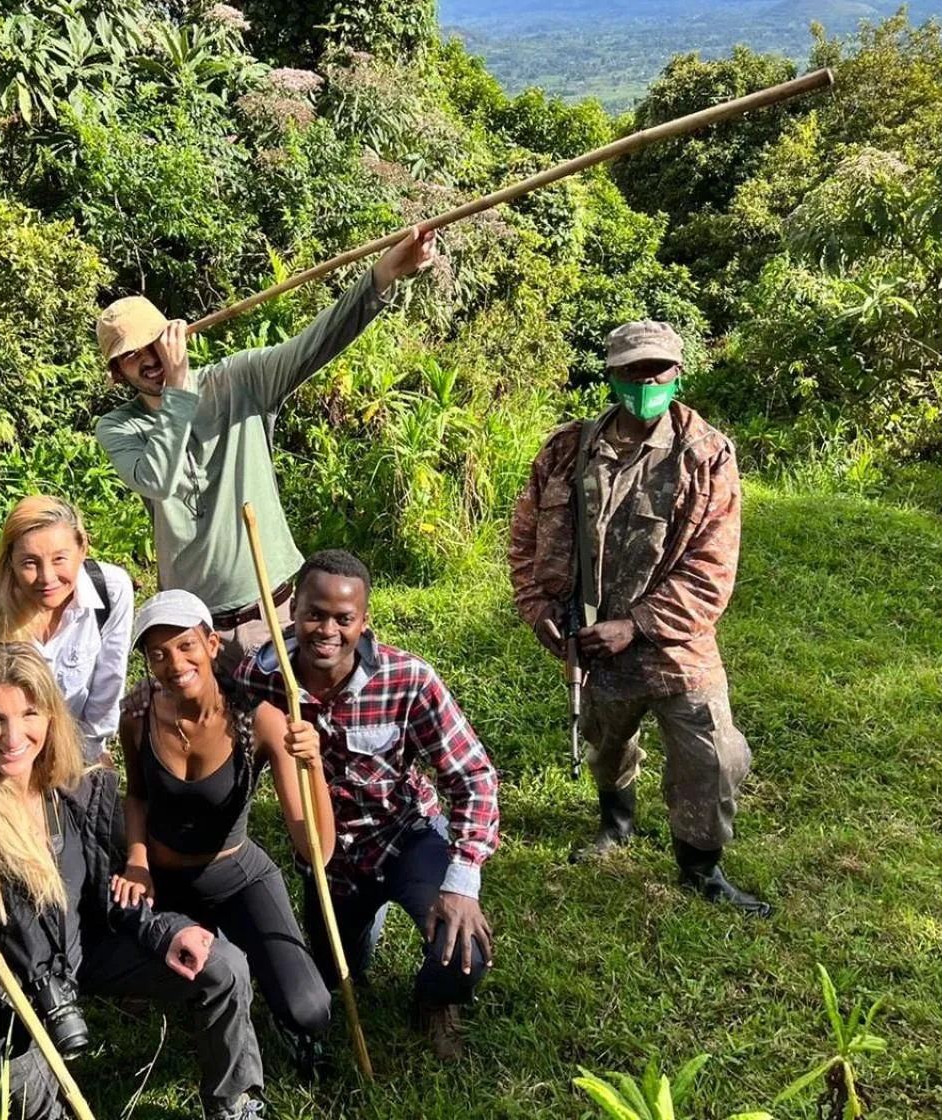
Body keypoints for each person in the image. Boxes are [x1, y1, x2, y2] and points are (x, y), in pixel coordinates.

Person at [0, 643, 266, 1120]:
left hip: (83, 952)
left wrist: (167, 929)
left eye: (29, 714)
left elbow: (112, 888)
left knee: (223, 966)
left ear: (51, 716)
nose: (13, 737)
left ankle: (234, 1104)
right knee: (37, 1105)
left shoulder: (77, 790)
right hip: (5, 999)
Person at [507, 319, 770, 917]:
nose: (644, 381)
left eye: (657, 370)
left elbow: (712, 569)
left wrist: (639, 624)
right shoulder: (566, 450)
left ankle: (700, 866)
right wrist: (538, 607)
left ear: (678, 374)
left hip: (675, 644)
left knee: (712, 755)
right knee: (605, 742)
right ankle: (616, 823)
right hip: (593, 642)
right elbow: (526, 537)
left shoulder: (706, 455)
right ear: (612, 375)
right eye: (631, 370)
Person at [94, 228, 436, 676]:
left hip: (271, 614)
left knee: (293, 736)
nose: (149, 359)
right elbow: (157, 479)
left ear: (174, 336)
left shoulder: (240, 380)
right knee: (219, 743)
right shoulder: (119, 426)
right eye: (131, 355)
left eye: (153, 342)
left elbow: (314, 344)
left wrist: (386, 273)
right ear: (118, 372)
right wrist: (179, 389)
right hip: (196, 630)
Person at [233, 550, 499, 1062]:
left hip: (404, 836)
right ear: (294, 612)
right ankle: (356, 940)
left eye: (343, 619)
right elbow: (206, 702)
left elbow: (474, 777)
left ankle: (434, 1001)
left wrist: (462, 882)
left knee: (464, 951)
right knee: (333, 972)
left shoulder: (408, 680)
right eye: (314, 614)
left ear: (364, 621)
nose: (326, 630)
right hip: (329, 860)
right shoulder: (261, 676)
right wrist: (146, 701)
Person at [112, 590, 335, 1077]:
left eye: (186, 645)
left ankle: (256, 967)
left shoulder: (262, 720)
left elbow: (312, 846)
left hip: (237, 875)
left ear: (213, 644)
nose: (174, 663)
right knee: (142, 987)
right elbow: (137, 796)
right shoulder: (137, 716)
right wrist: (136, 861)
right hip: (164, 884)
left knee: (310, 1010)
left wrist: (312, 765)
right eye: (158, 654)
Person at [0, 495, 132, 765]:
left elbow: (110, 677)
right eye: (30, 563)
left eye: (59, 559)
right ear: (10, 561)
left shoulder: (111, 592)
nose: (47, 578)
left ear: (83, 548)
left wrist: (89, 750)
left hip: (61, 744)